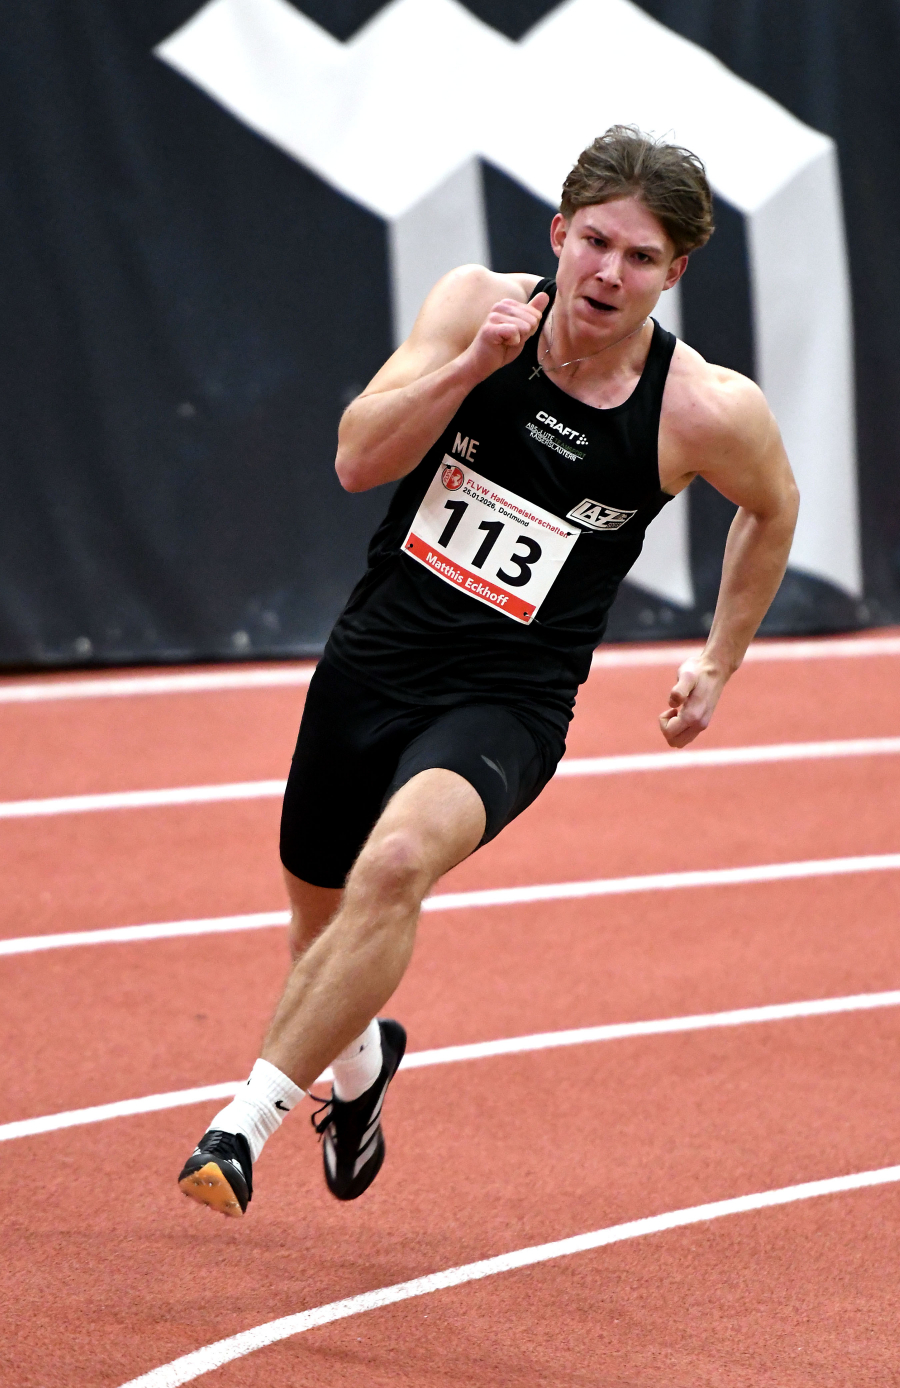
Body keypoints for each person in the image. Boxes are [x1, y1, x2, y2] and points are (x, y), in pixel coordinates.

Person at [177, 125, 799, 1217]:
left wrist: (718, 660)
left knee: (396, 863)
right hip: (371, 663)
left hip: (509, 700)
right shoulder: (474, 305)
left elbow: (772, 506)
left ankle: (240, 1126)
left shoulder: (701, 408)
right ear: (558, 234)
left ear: (674, 274)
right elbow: (356, 458)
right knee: (320, 925)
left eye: (641, 257)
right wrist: (472, 369)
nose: (609, 273)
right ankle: (360, 1071)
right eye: (596, 241)